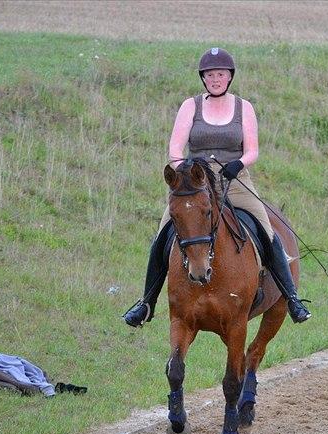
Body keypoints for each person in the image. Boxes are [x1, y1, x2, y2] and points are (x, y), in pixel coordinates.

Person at [123, 47, 311, 327]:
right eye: (210, 75)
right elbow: (175, 149)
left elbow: (253, 150)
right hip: (196, 184)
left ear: (229, 77)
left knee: (267, 230)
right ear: (203, 78)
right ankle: (146, 303)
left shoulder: (243, 107)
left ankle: (292, 298)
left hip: (234, 181)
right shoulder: (190, 106)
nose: (215, 79)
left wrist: (239, 164)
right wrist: (184, 170)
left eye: (220, 74)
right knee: (162, 236)